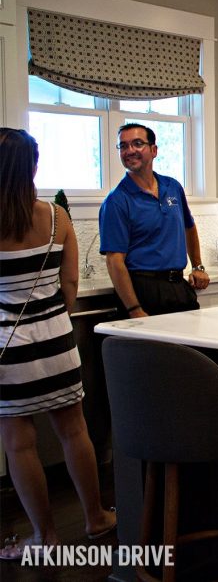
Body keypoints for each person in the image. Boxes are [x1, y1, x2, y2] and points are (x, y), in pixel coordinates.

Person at [0, 128, 117, 560]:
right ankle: (95, 518)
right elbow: (69, 288)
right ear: (32, 168)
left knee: (19, 443)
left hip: (8, 349)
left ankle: (44, 537)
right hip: (56, 340)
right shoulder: (56, 217)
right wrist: (51, 317)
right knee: (74, 431)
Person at [99, 123, 209, 317]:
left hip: (178, 287)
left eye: (137, 143)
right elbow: (115, 262)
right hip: (143, 291)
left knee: (190, 346)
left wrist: (198, 266)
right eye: (123, 146)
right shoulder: (116, 201)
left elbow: (189, 227)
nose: (129, 151)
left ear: (154, 150)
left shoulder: (173, 186)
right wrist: (134, 310)